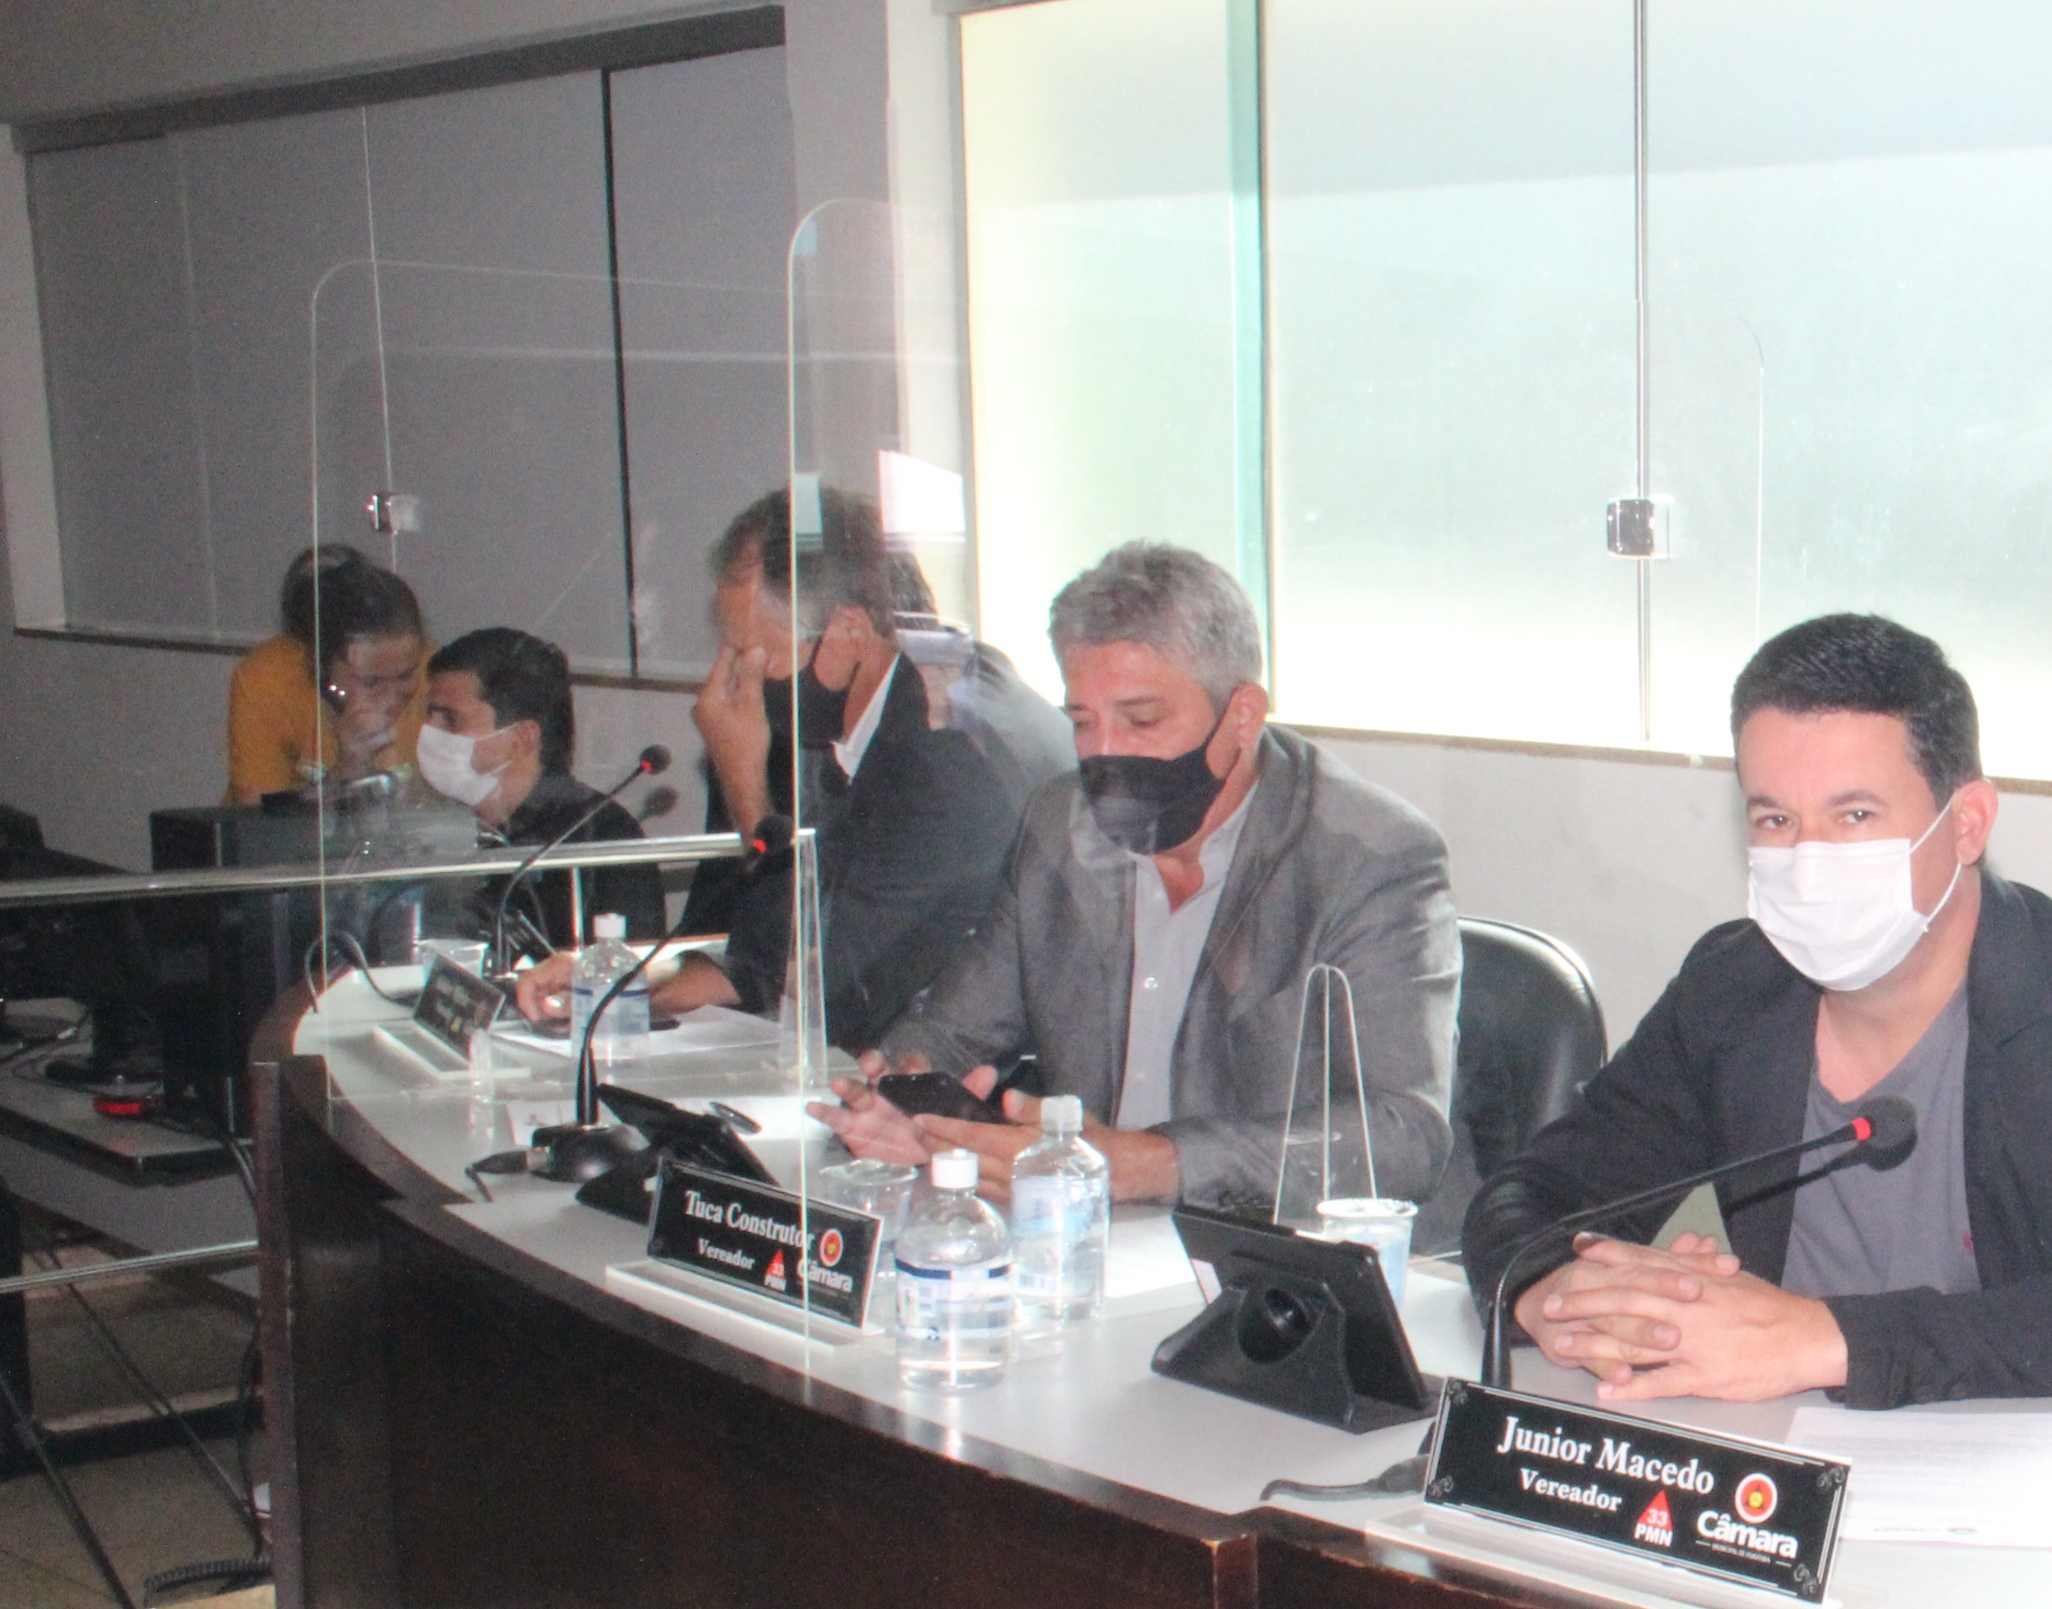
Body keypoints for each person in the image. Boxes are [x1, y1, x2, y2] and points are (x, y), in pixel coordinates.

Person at [1464, 612, 2052, 1409]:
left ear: (1967, 822)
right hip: (1779, 1449)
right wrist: (1556, 1293)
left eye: (1854, 816)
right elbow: (1530, 1193)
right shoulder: (1735, 986)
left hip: (2016, 1456)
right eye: (1775, 819)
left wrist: (1827, 1339)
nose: (1808, 861)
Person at [811, 541, 1464, 1220]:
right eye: (1082, 722)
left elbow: (1403, 1137)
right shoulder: (1062, 826)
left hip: (1279, 1247)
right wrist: (904, 1102)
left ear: (1242, 715)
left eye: (1142, 719)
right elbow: (952, 1031)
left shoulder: (1370, 857)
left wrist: (1146, 1163)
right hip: (1098, 1236)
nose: (1104, 752)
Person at [516, 487, 1067, 1044]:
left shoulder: (942, 763)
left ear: (849, 631)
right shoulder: (898, 701)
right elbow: (763, 963)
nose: (730, 684)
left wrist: (743, 783)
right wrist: (621, 982)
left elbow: (824, 988)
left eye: (756, 656)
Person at [416, 626, 663, 953]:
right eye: (429, 715)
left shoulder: (600, 838)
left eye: (449, 719)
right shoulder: (436, 829)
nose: (429, 732)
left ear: (522, 739)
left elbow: (623, 967)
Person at [225, 549, 426, 805]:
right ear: (320, 663)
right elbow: (257, 815)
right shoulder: (267, 682)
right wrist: (346, 771)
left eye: (406, 676)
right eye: (370, 682)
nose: (389, 699)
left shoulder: (437, 678)